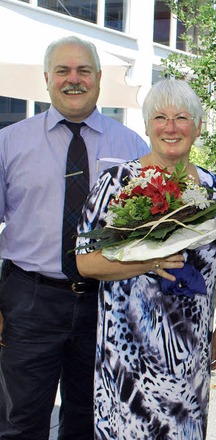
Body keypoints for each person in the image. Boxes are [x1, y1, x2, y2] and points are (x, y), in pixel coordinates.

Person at [0, 36, 149, 439]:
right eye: (63, 71)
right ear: (47, 78)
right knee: (21, 419)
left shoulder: (133, 147)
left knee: (89, 419)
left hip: (107, 301)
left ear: (99, 78)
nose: (73, 79)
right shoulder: (9, 143)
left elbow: (150, 233)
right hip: (30, 300)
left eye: (83, 70)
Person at [74, 78, 216, 439]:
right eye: (160, 117)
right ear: (147, 126)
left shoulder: (215, 189)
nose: (171, 127)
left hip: (189, 354)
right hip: (129, 356)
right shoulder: (117, 183)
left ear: (198, 127)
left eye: (182, 117)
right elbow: (85, 262)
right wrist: (148, 262)